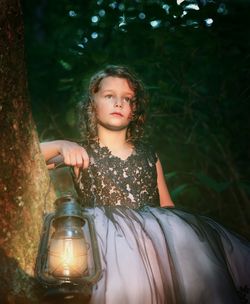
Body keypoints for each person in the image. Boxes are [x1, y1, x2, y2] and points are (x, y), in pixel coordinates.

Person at [41, 65, 250, 304]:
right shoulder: (81, 152)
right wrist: (60, 145)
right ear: (92, 104)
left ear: (134, 110)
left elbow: (167, 206)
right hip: (109, 247)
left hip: (156, 246)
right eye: (109, 96)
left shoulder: (150, 155)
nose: (118, 103)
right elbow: (29, 156)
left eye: (127, 98)